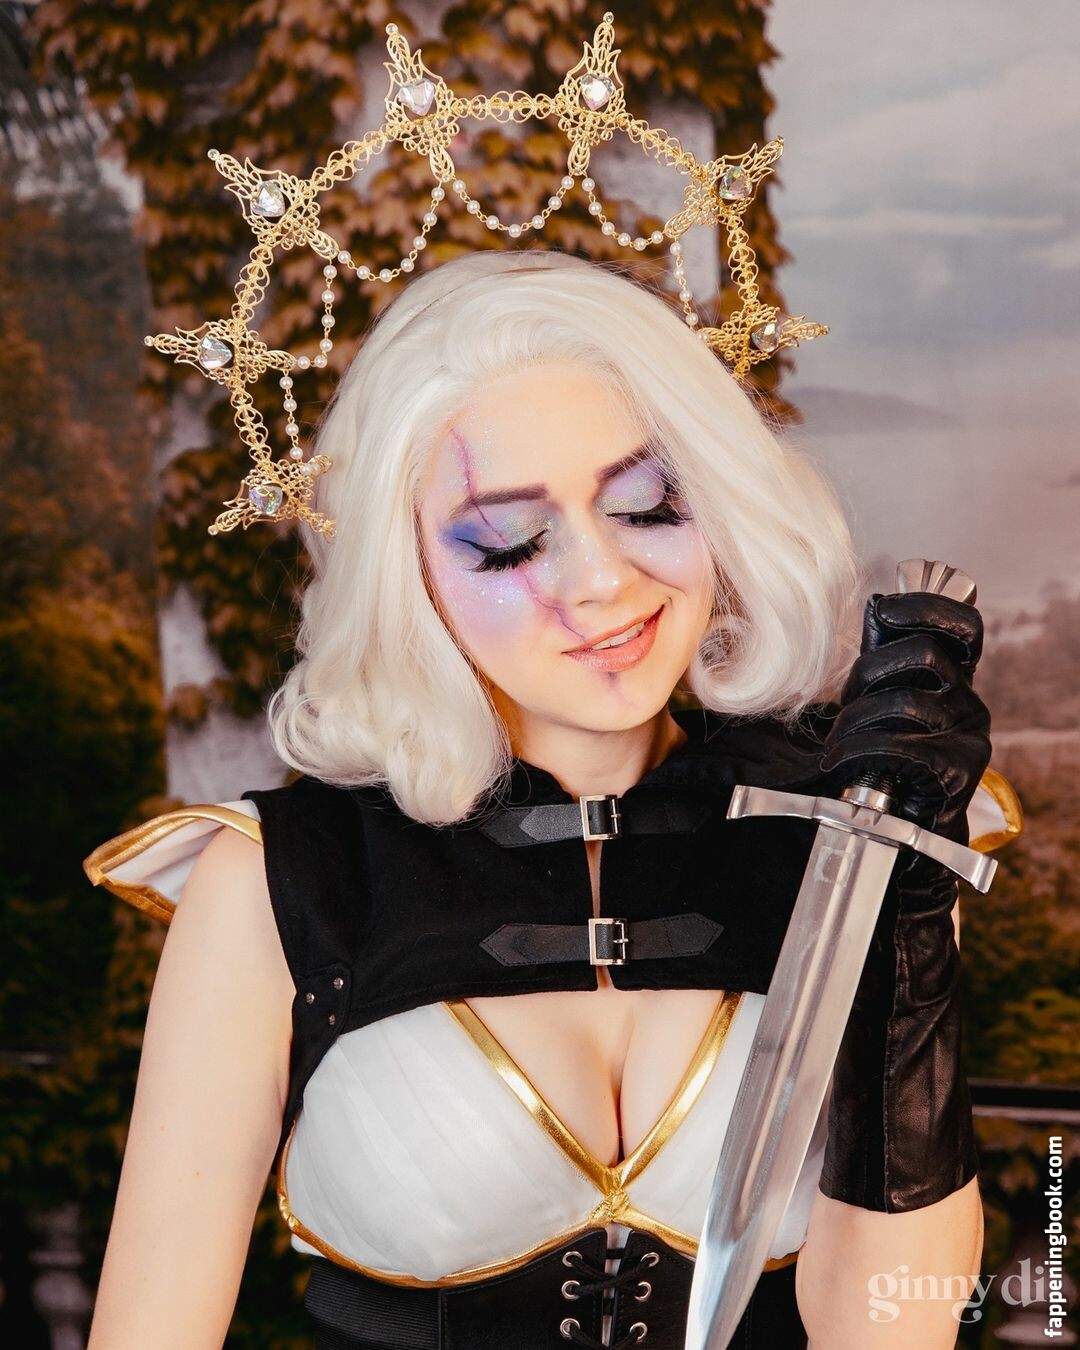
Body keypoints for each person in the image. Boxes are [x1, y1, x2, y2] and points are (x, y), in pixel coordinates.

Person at [83, 250, 1017, 1348]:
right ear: (408, 577)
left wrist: (907, 935)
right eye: (507, 543)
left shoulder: (859, 833)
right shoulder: (276, 879)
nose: (602, 582)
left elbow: (892, 1332)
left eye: (649, 506)